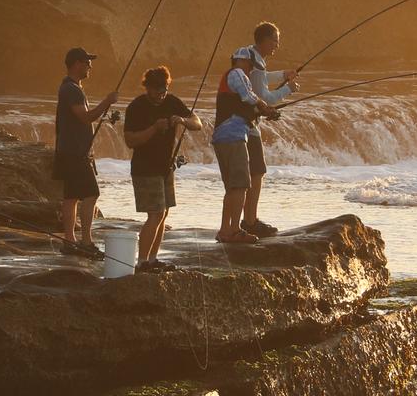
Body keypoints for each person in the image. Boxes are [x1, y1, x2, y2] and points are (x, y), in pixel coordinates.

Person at [123, 66, 202, 272]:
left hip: (165, 167)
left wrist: (183, 120)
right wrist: (154, 129)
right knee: (155, 213)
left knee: (164, 213)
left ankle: (152, 259)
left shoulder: (172, 101)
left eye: (164, 88)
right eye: (157, 89)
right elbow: (130, 140)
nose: (161, 94)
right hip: (144, 168)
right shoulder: (136, 107)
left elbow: (197, 123)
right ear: (147, 87)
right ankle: (141, 262)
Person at [236, 21, 300, 238]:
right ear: (263, 40)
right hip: (248, 127)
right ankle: (250, 221)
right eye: (274, 40)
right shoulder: (256, 63)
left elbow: (261, 80)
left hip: (243, 125)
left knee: (253, 173)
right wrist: (287, 89)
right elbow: (265, 97)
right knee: (257, 173)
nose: (276, 45)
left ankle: (248, 220)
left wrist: (283, 75)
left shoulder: (254, 59)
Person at [55, 46, 118, 259]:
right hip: (75, 152)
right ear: (76, 64)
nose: (90, 65)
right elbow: (85, 117)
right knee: (92, 194)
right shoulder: (72, 89)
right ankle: (85, 241)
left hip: (70, 150)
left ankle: (70, 240)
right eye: (86, 61)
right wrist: (107, 102)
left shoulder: (70, 88)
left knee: (71, 197)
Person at [210, 50, 278, 243]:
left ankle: (225, 231)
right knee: (240, 185)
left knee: (232, 188)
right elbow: (248, 96)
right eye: (250, 64)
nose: (250, 70)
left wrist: (264, 111)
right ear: (240, 60)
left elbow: (245, 105)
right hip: (233, 135)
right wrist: (263, 106)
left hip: (223, 136)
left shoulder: (234, 79)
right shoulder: (236, 73)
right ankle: (234, 230)